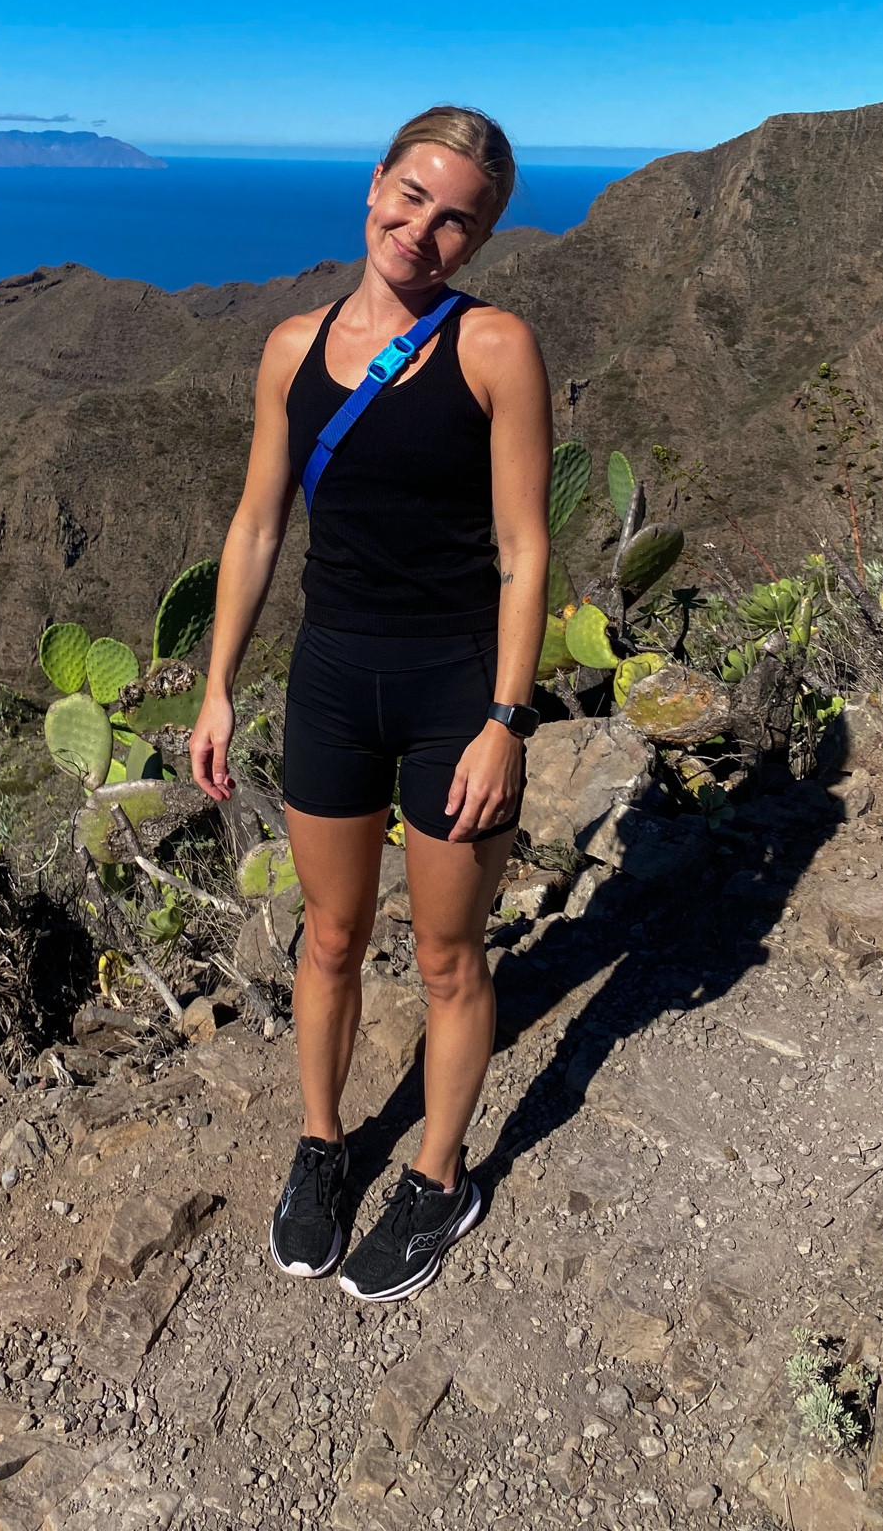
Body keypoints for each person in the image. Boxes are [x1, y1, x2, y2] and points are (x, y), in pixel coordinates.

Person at [190, 105, 552, 1303]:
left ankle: (442, 1174)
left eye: (459, 218)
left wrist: (506, 718)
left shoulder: (495, 347)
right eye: (413, 196)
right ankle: (321, 1140)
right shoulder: (292, 347)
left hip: (455, 689)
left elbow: (523, 547)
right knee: (331, 937)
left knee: (449, 955)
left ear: (484, 235)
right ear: (374, 188)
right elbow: (254, 525)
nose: (425, 230)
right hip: (333, 681)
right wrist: (217, 686)